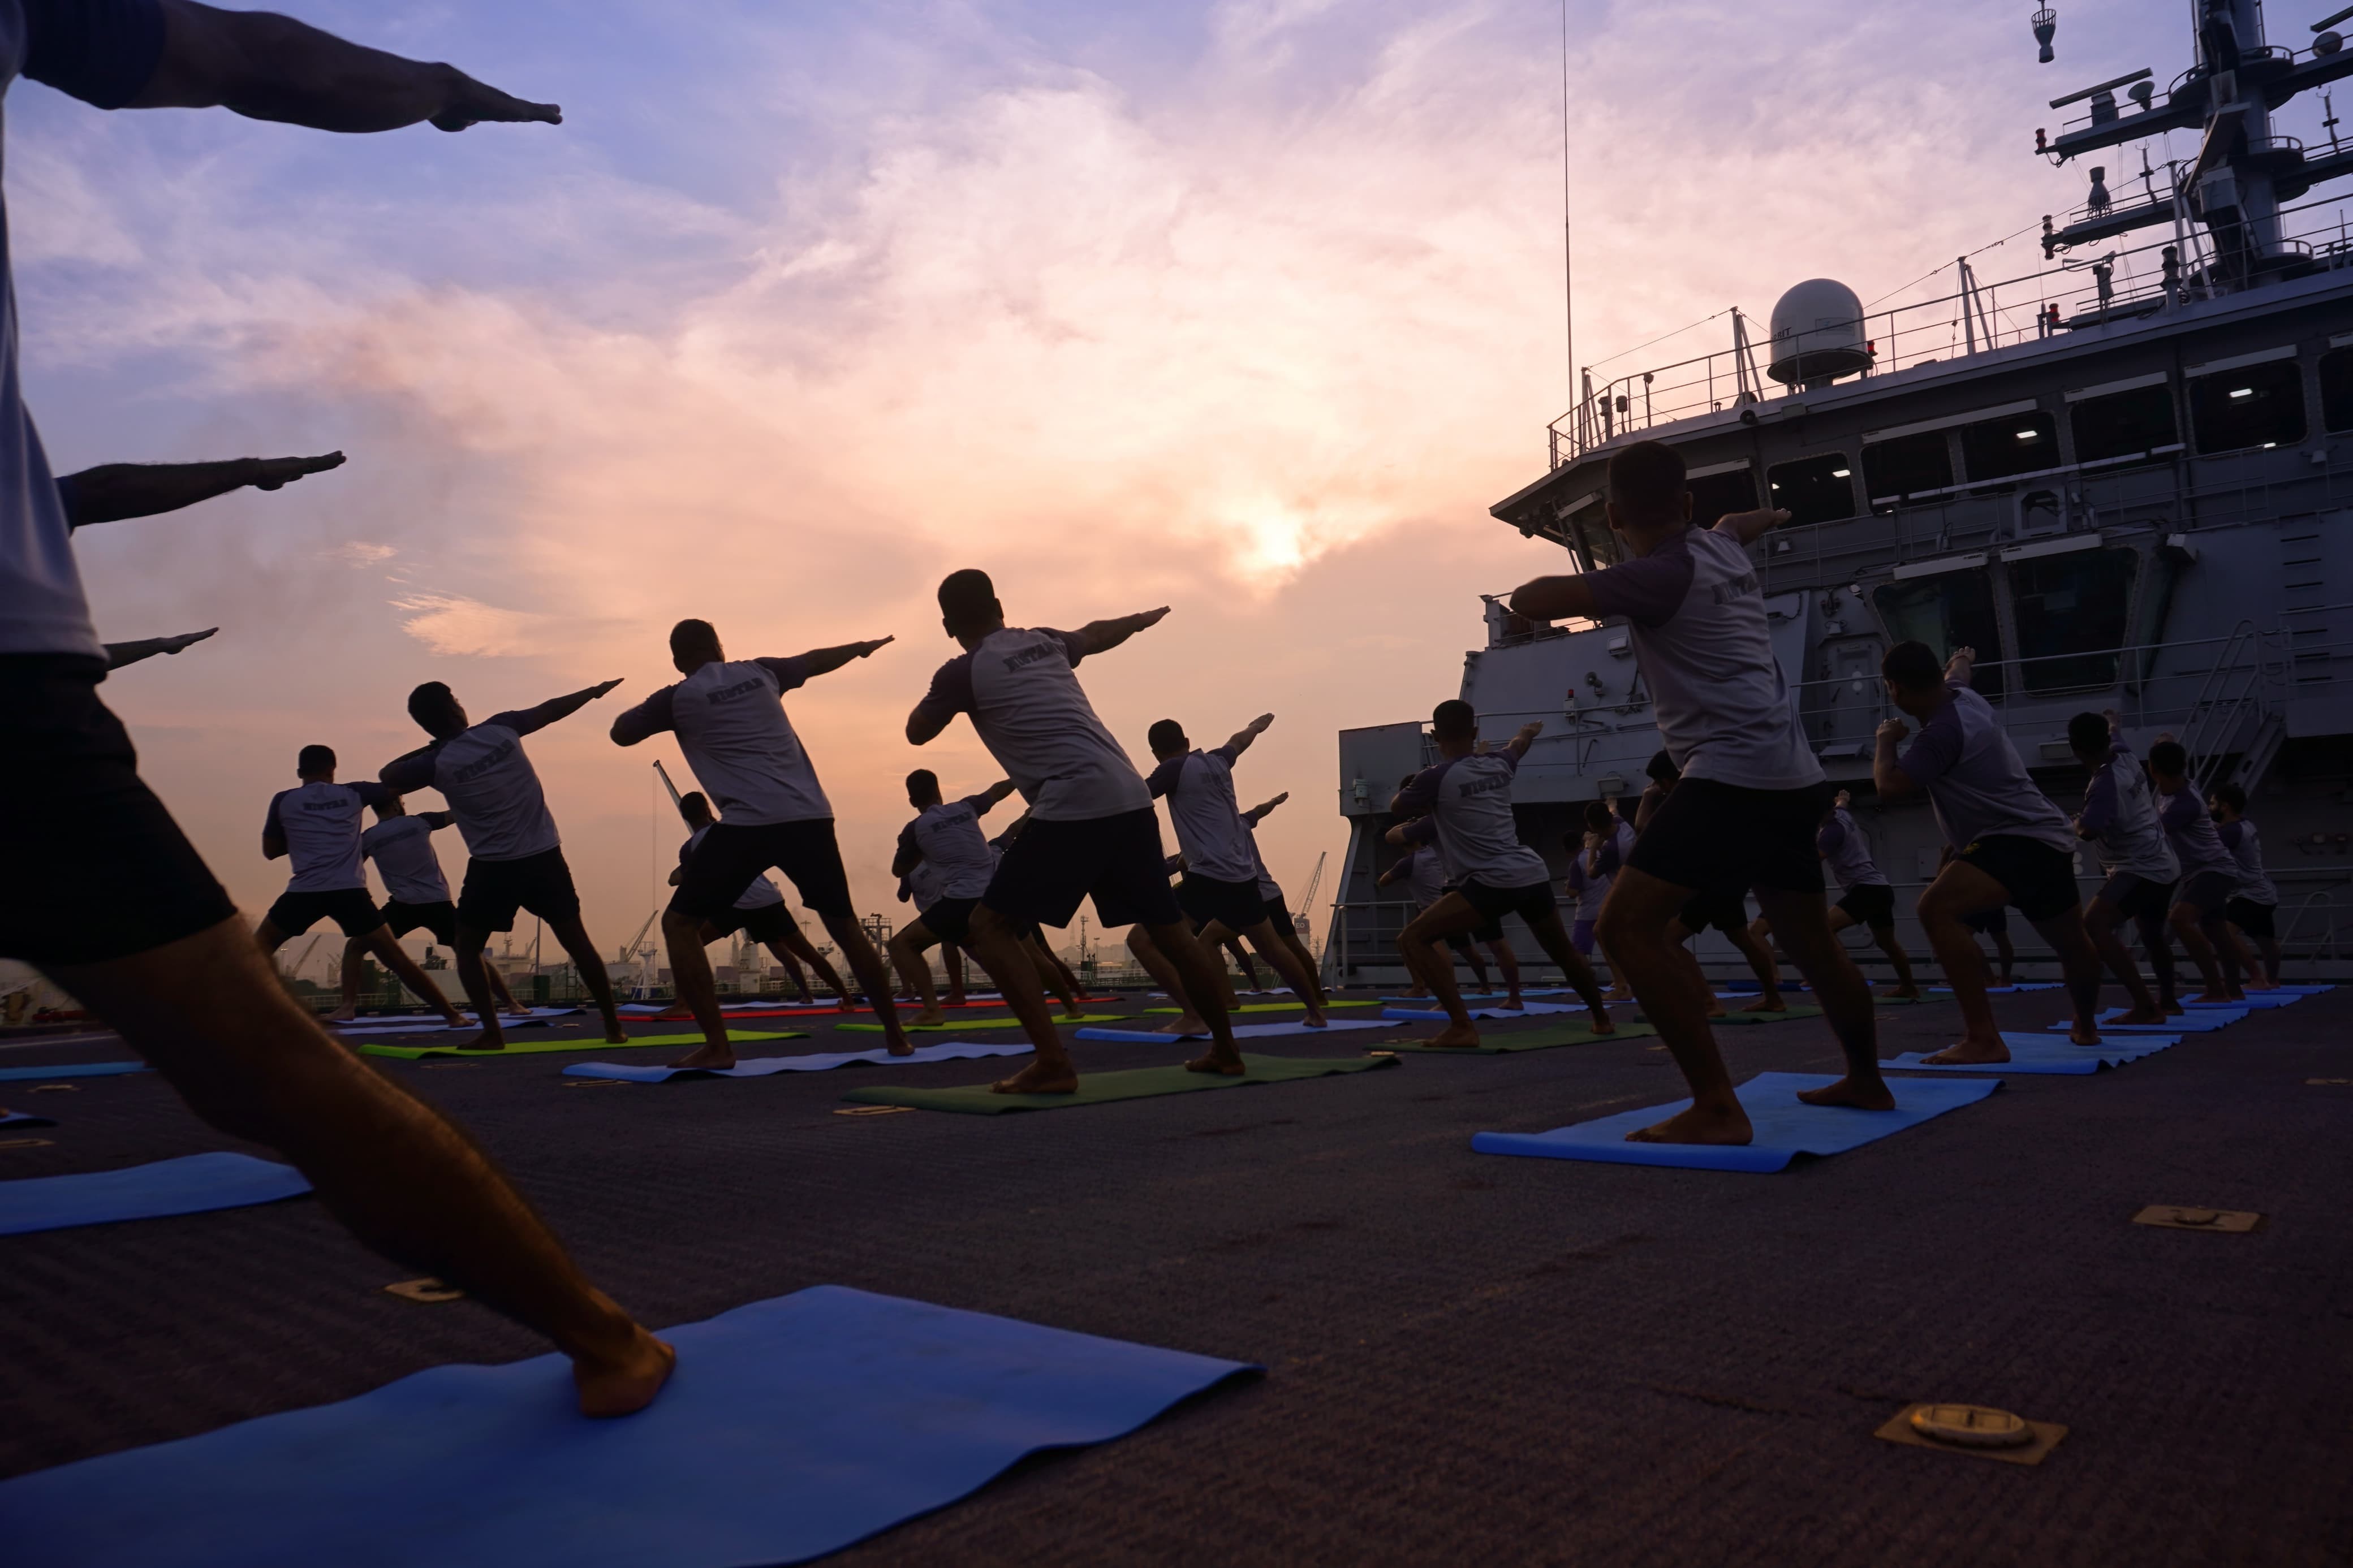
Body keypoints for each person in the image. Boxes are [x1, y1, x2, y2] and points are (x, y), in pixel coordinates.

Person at [0, 2, 669, 1415]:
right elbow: (249, 61)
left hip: (16, 702)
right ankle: (596, 1319)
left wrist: (434, 90)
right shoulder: (406, 759)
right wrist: (432, 90)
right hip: (41, 700)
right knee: (278, 1053)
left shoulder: (426, 757)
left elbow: (244, 60)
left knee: (269, 1060)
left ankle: (600, 1327)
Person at [1510, 440, 1885, 1141]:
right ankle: (1865, 1079)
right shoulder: (1720, 547)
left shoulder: (1655, 576)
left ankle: (1716, 1105)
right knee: (1810, 942)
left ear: (1617, 516)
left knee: (1626, 928)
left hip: (1731, 775)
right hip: (1795, 775)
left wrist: (1604, 579)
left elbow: (1530, 600)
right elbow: (1734, 523)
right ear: (1685, 504)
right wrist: (1764, 516)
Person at [906, 570, 1242, 1091]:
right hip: (1128, 794)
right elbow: (1098, 632)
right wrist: (1139, 620)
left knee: (988, 928)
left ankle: (1053, 1064)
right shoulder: (1045, 642)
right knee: (1173, 932)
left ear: (948, 625)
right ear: (999, 603)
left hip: (1072, 803)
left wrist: (947, 691)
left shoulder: (962, 671)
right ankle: (1226, 1050)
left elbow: (916, 732)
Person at [607, 619, 907, 1068]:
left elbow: (621, 732)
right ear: (719, 648)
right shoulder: (763, 671)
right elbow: (816, 659)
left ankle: (718, 1046)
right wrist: (862, 647)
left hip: (748, 823)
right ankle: (897, 1038)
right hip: (810, 815)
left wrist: (663, 708)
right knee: (845, 926)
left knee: (679, 925)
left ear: (677, 660)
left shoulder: (676, 697)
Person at [1872, 644, 2104, 1061]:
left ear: (1896, 689)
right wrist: (1965, 656)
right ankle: (2086, 1027)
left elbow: (1889, 786)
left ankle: (1983, 1039)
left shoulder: (1941, 732)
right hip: (2048, 836)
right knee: (2072, 943)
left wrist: (1885, 739)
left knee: (1935, 909)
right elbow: (1959, 671)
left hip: (2013, 837)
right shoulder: (1962, 695)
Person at [383, 680, 631, 1052]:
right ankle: (613, 1027)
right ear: (454, 709)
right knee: (577, 942)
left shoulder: (436, 762)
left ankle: (492, 1031)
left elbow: (389, 774)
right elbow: (550, 708)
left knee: (468, 947)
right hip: (542, 857)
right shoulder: (502, 727)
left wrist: (439, 740)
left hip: (493, 868)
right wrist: (592, 692)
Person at [1384, 706, 1613, 1049]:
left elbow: (1396, 807)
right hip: (1531, 873)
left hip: (1491, 881)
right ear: (1475, 732)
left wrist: (1432, 791)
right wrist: (1527, 732)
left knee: (1412, 940)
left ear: (1435, 737)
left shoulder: (1435, 777)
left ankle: (1462, 1027)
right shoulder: (1499, 763)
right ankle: (1602, 1019)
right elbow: (1518, 746)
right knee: (1564, 953)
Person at [255, 745, 467, 1029]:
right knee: (397, 959)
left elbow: (271, 851)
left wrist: (307, 835)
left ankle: (227, 1011)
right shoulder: (354, 792)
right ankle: (453, 1016)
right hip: (349, 891)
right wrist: (435, 751)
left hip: (304, 891)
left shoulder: (283, 800)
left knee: (255, 952)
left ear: (299, 772)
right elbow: (400, 784)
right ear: (333, 770)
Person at [1144, 714, 1328, 1029]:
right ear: (1187, 742)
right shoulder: (1217, 761)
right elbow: (1238, 742)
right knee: (1274, 949)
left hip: (1208, 875)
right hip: (1243, 877)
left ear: (1156, 755)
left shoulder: (1171, 769)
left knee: (1146, 939)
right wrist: (1256, 727)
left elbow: (1135, 795)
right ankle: (1315, 1012)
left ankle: (1194, 1015)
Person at [887, 771, 1083, 1025]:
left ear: (912, 801)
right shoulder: (967, 807)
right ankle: (1072, 1008)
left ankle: (932, 1010)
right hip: (999, 894)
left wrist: (916, 850)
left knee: (901, 945)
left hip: (962, 900)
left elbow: (899, 870)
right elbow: (997, 791)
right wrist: (1019, 776)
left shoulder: (915, 829)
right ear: (939, 792)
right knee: (1036, 956)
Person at [335, 794, 529, 1023]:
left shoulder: (368, 838)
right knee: (470, 953)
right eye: (403, 803)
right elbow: (456, 814)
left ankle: (348, 1007)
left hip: (403, 906)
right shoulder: (420, 822)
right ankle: (512, 1004)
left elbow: (349, 870)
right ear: (397, 805)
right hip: (437, 903)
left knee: (355, 946)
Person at [669, 792, 850, 1010]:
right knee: (803, 952)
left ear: (685, 817)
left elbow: (679, 878)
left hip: (739, 902)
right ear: (707, 810)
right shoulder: (732, 831)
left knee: (686, 943)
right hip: (760, 901)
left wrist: (682, 874)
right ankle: (843, 998)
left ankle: (682, 1003)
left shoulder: (691, 848)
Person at [1751, 789, 1921, 1000]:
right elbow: (1842, 804)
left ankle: (1843, 978)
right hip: (1881, 889)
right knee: (1887, 944)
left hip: (1866, 890)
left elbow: (1812, 862)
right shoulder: (1841, 813)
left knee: (1824, 929)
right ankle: (1909, 987)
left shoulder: (1832, 832)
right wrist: (1843, 799)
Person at [2068, 709, 2177, 1022]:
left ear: (2075, 749)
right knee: (2153, 935)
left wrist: (2072, 821)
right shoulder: (2124, 756)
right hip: (2164, 862)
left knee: (2094, 925)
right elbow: (2115, 734)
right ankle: (2169, 1001)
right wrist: (2113, 722)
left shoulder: (2103, 784)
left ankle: (2145, 1006)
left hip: (2139, 867)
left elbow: (2089, 830)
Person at [2148, 740, 2259, 1001]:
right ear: (2184, 766)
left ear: (2152, 770)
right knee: (2215, 929)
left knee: (2179, 919)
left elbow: (2152, 837)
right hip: (2206, 871)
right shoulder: (2178, 789)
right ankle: (2232, 989)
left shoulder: (2183, 804)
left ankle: (2216, 989)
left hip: (2213, 870)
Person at [1240, 792, 1328, 1010]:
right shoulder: (1241, 821)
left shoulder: (1221, 829)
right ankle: (1317, 997)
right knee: (1289, 947)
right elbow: (1260, 811)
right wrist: (1275, 802)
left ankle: (1315, 998)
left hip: (1254, 896)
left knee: (1210, 940)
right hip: (1259, 895)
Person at [2210, 783, 2283, 987]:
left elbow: (2203, 849)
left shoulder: (2230, 833)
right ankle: (2273, 980)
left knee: (2224, 931)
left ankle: (2257, 978)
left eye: (2213, 803)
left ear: (2225, 807)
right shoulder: (2246, 824)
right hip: (2264, 893)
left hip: (2250, 895)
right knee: (2266, 941)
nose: (2210, 808)